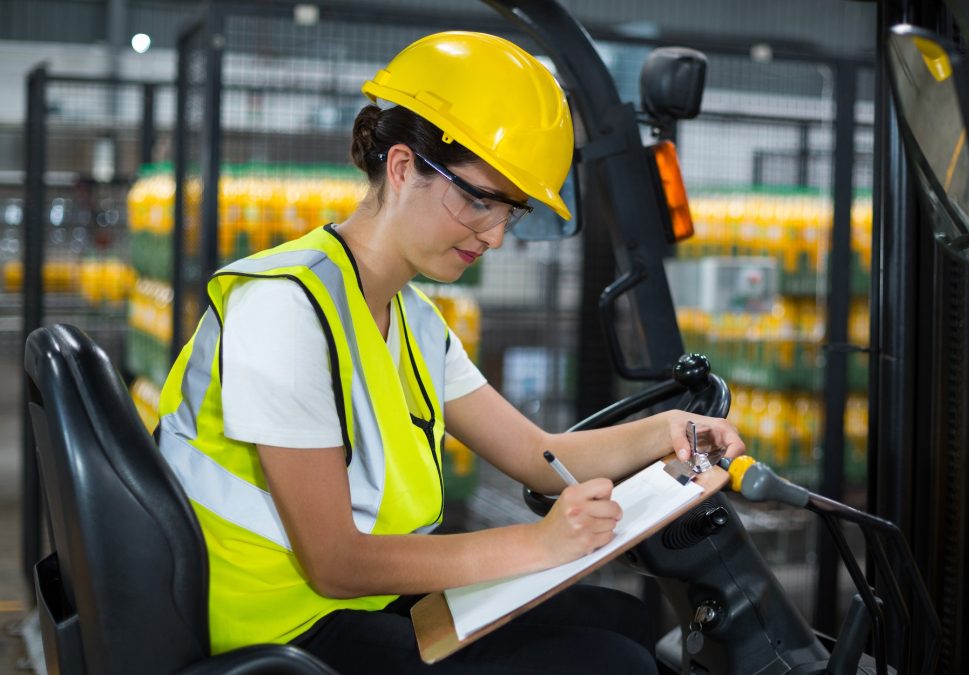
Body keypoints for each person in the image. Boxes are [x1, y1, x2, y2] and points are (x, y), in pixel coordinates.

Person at [157, 31, 745, 674]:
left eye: (510, 213)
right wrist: (537, 544)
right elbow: (333, 560)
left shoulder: (413, 320)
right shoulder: (283, 309)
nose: (493, 236)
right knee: (613, 665)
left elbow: (538, 458)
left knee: (626, 622)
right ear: (403, 168)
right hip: (278, 632)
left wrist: (670, 430)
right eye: (476, 201)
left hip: (359, 605)